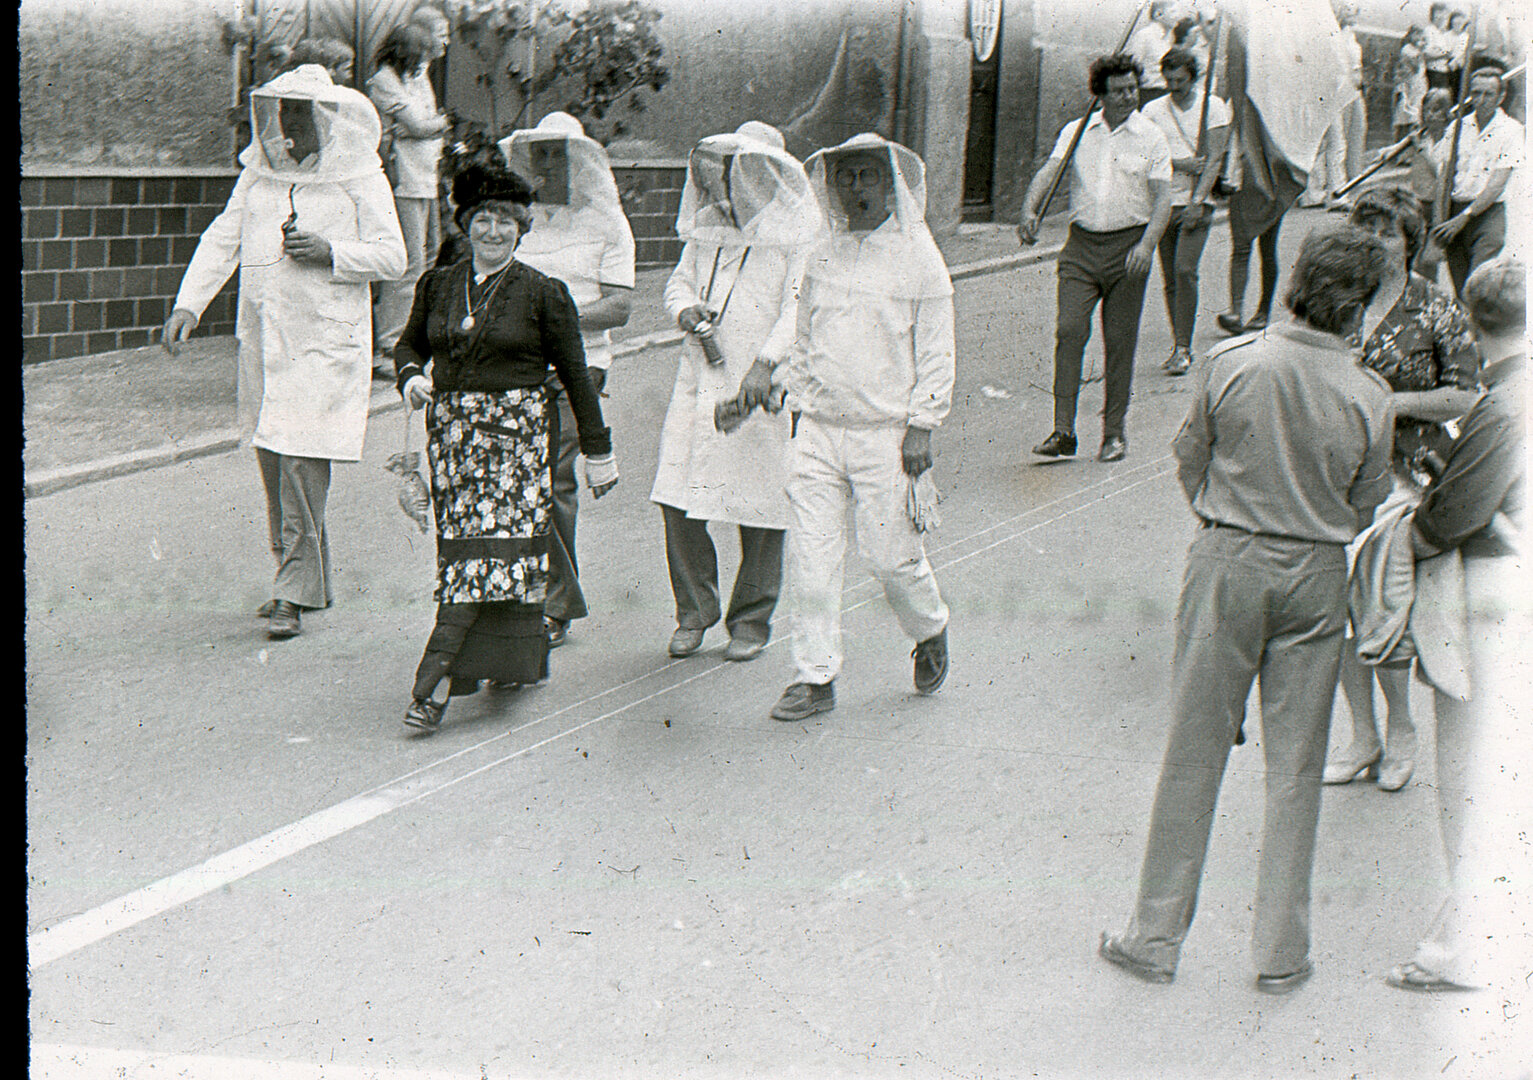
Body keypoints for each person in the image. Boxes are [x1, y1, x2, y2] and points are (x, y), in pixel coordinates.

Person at [1099, 227, 1395, 993]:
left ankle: (1154, 936)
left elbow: (1188, 456)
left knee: (1193, 752)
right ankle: (1279, 952)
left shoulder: (1233, 363)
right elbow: (1365, 503)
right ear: (1355, 308)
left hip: (1228, 558)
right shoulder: (1369, 394)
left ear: (1296, 283)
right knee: (1294, 769)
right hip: (1317, 571)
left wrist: (1224, 515)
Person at [162, 64, 407, 640]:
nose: (290, 122)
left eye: (302, 111)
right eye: (285, 110)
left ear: (328, 117)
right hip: (267, 337)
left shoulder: (360, 176)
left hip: (325, 340)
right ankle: (304, 577)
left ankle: (292, 592)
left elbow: (394, 256)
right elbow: (223, 237)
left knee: (301, 459)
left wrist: (331, 251)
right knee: (274, 457)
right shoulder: (260, 174)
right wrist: (188, 304)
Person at [392, 162, 617, 732]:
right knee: (478, 560)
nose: (493, 231)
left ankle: (434, 685)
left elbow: (576, 376)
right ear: (465, 224)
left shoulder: (544, 293)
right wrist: (411, 376)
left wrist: (599, 453)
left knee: (485, 561)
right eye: (483, 220)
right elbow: (407, 346)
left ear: (521, 228)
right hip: (453, 446)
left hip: (516, 448)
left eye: (505, 222)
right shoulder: (438, 286)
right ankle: (512, 664)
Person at [769, 133, 954, 722]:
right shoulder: (820, 254)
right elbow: (803, 337)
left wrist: (923, 424)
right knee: (812, 558)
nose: (855, 188)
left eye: (867, 175)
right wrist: (797, 402)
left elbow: (936, 350)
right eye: (845, 176)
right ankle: (814, 677)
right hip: (818, 430)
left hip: (886, 434)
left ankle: (929, 626)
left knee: (890, 558)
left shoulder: (918, 257)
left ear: (890, 182)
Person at [1386, 257, 1526, 998]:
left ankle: (1467, 946)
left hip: (1490, 597)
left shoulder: (1504, 408)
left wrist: (1401, 533)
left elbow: (1447, 522)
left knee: (1470, 777)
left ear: (1472, 324)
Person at [1324, 185, 1480, 791]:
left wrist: (1391, 404)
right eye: (1364, 230)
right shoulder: (1337, 299)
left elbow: (1466, 393)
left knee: (1379, 601)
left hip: (1404, 477)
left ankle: (1401, 727)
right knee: (1339, 609)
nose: (1374, 242)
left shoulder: (1435, 306)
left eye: (1386, 232)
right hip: (1336, 472)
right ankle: (1363, 734)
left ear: (1410, 241)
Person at [652, 122, 819, 661]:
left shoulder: (798, 234)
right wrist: (685, 309)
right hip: (698, 379)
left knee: (761, 506)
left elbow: (799, 308)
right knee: (676, 497)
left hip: (759, 385)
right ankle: (694, 611)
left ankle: (751, 620)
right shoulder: (708, 227)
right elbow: (678, 282)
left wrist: (765, 364)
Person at [499, 113, 635, 650]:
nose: (548, 165)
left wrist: (556, 319)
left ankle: (555, 605)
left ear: (579, 159)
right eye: (540, 155)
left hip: (579, 368)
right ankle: (524, 593)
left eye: (557, 154)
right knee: (513, 479)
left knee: (552, 478)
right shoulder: (519, 221)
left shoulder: (607, 222)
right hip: (516, 365)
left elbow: (620, 307)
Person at [1019, 53, 1173, 463]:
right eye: (1119, 91)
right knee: (1069, 330)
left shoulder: (1152, 136)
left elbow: (1163, 200)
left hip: (1129, 249)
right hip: (1081, 248)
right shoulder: (1077, 131)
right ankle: (1063, 431)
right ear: (1100, 94)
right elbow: (1051, 170)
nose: (1129, 97)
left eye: (1133, 88)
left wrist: (1147, 246)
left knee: (1120, 343)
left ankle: (1114, 434)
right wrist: (1029, 209)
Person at [1141, 47, 1231, 375]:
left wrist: (1198, 201)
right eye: (1169, 80)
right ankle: (1179, 342)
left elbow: (1215, 158)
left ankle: (1183, 348)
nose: (1174, 86)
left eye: (1180, 80)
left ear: (1193, 77)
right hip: (1164, 202)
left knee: (1184, 270)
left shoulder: (1213, 107)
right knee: (1170, 278)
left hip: (1196, 202)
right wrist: (1180, 164)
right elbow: (1144, 155)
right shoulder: (1153, 110)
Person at [368, 24, 448, 380]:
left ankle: (411, 335)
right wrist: (435, 124)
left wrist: (426, 126)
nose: (426, 61)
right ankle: (390, 344)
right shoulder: (384, 81)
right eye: (422, 54)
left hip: (426, 178)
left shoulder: (416, 77)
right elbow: (419, 125)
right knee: (407, 262)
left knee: (429, 257)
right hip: (404, 183)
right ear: (409, 53)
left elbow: (423, 124)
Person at [1429, 68, 1524, 296]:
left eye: (1488, 94)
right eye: (1476, 93)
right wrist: (1438, 222)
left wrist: (1464, 217)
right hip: (1454, 211)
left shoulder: (1512, 130)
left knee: (1478, 284)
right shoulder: (1457, 127)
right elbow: (1444, 178)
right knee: (1460, 286)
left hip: (1487, 215)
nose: (1480, 100)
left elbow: (1496, 185)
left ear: (1501, 96)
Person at [1126, 1, 1185, 104]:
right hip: (1148, 94)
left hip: (1165, 93)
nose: (1178, 16)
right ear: (1158, 14)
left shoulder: (1169, 38)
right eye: (1173, 11)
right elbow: (1131, 67)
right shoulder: (1144, 35)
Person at [1393, 26, 1430, 141]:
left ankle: (1412, 138)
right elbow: (1415, 67)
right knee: (1405, 112)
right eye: (1416, 35)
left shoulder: (1418, 50)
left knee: (1416, 114)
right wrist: (1421, 52)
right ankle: (1401, 138)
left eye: (1421, 35)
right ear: (1411, 35)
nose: (1419, 38)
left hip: (1418, 85)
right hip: (1408, 85)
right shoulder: (1407, 49)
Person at [1423, 3, 1458, 95]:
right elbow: (1427, 53)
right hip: (1433, 71)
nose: (1441, 17)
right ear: (1432, 16)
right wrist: (1444, 54)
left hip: (1443, 71)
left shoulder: (1443, 33)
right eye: (1437, 15)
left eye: (1443, 15)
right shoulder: (1429, 30)